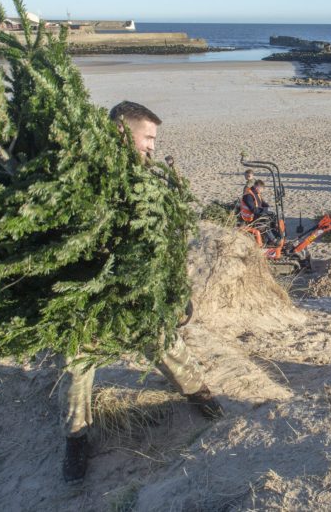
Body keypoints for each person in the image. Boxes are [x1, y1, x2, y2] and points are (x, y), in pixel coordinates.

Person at [62, 101, 222, 484]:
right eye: (147, 137)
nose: (151, 146)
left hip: (140, 293)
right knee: (77, 362)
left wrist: (174, 292)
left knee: (165, 344)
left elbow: (166, 242)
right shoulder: (84, 176)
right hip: (90, 296)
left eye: (154, 139)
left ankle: (201, 398)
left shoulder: (151, 181)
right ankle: (76, 438)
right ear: (121, 131)